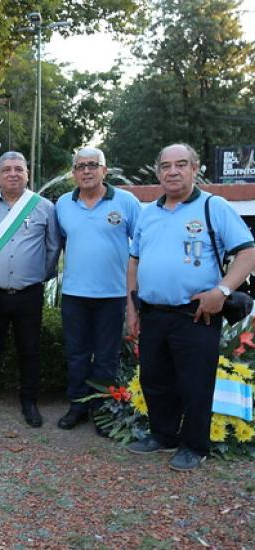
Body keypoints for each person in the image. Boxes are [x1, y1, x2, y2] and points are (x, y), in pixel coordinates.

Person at [126, 143, 255, 471]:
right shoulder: (148, 213)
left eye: (181, 164)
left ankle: (194, 447)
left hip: (196, 314)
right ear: (158, 172)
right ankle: (163, 435)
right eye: (166, 166)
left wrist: (222, 291)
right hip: (153, 312)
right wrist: (131, 308)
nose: (173, 171)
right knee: (155, 379)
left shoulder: (215, 207)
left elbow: (247, 252)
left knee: (194, 383)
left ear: (195, 169)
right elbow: (134, 260)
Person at [0, 152, 61, 427]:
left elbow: (53, 247)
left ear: (27, 174)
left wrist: (37, 276)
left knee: (29, 349)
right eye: (6, 169)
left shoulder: (43, 207)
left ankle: (29, 401)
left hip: (28, 293)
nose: (12, 173)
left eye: (19, 169)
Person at [55, 147, 141, 433]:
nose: (87, 171)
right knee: (76, 354)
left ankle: (103, 410)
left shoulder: (126, 202)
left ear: (105, 170)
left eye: (93, 165)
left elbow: (141, 248)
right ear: (73, 173)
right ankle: (78, 405)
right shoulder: (63, 204)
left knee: (106, 357)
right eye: (81, 166)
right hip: (74, 295)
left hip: (112, 295)